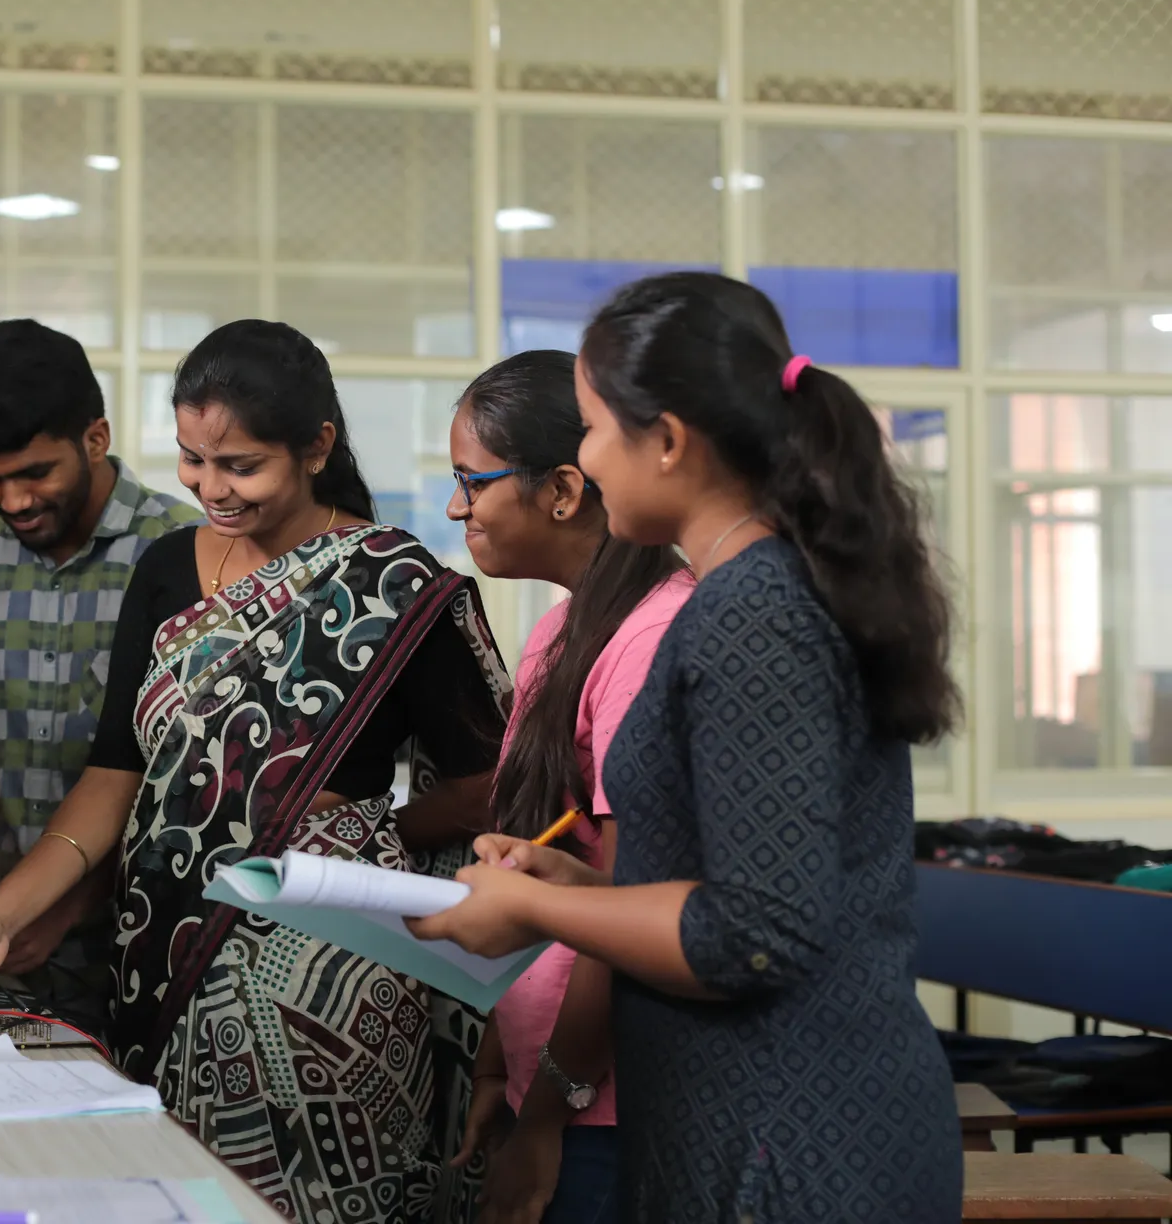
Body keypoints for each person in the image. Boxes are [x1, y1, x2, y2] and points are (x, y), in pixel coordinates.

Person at [0, 319, 512, 1223]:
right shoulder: (166, 568)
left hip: (329, 992)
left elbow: (488, 785)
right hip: (161, 967)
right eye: (193, 460)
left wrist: (351, 833)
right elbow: (116, 774)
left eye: (240, 465)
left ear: (316, 448)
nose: (210, 487)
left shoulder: (394, 584)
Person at [410, 273, 965, 1222]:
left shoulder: (753, 612)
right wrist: (571, 884)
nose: (585, 460)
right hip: (750, 1124)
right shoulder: (743, 598)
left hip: (790, 1144)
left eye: (594, 430)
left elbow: (757, 933)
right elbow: (730, 877)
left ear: (666, 442)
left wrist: (538, 908)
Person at [444, 351, 692, 1224]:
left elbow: (623, 905)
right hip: (543, 1078)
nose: (456, 508)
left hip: (602, 1106)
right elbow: (536, 856)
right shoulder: (561, 630)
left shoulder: (651, 637)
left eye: (471, 482)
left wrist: (547, 1116)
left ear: (561, 489)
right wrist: (496, 1068)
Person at [0, 318, 200, 1034]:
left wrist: (68, 906)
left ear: (95, 438)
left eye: (34, 474)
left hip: (146, 934)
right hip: (5, 944)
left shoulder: (184, 551)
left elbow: (183, 775)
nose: (14, 501)